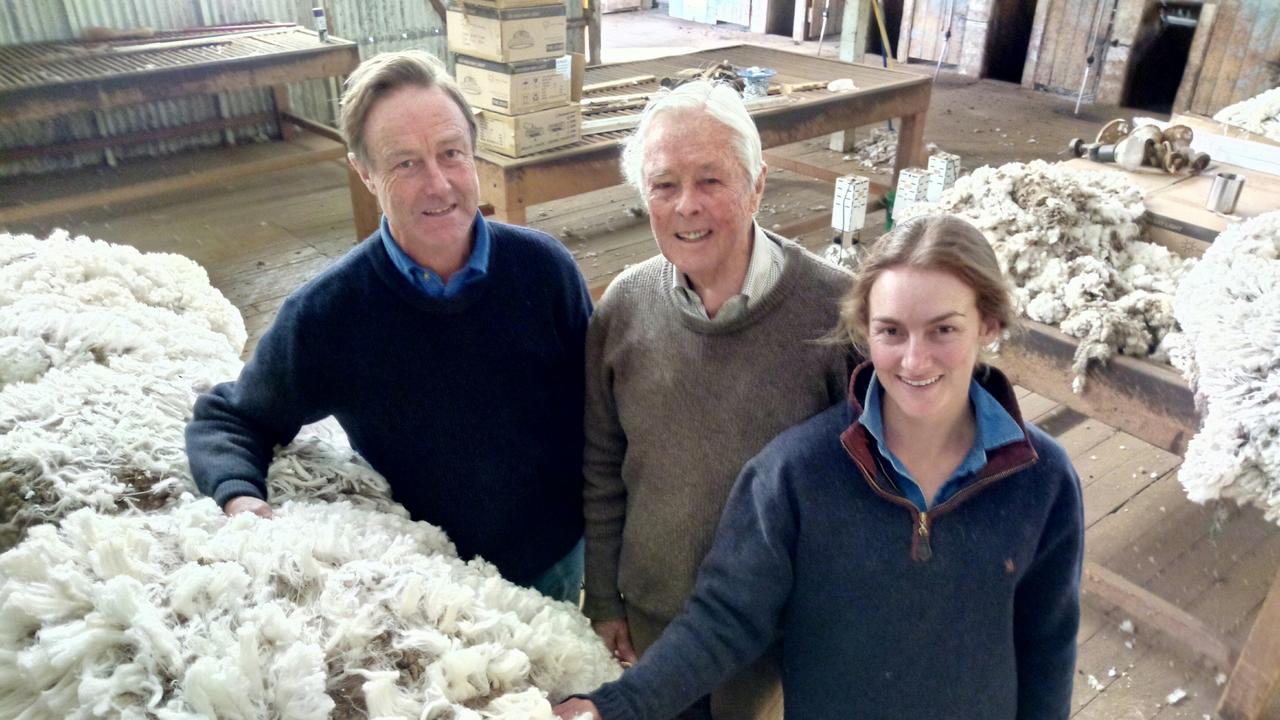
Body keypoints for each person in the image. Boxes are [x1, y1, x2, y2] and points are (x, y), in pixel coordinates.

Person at [557, 213, 1084, 719]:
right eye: (891, 332)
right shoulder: (796, 476)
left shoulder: (1042, 479)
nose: (915, 360)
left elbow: (1047, 648)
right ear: (864, 330)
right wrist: (615, 705)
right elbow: (724, 619)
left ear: (987, 324)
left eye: (943, 330)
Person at [184, 50, 591, 602]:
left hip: (557, 557)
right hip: (430, 584)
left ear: (474, 152)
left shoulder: (543, 271)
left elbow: (601, 410)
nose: (439, 184)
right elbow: (231, 416)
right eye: (405, 163)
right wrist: (241, 499)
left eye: (451, 154)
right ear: (365, 173)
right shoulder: (330, 312)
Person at [579, 80, 857, 720]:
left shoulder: (836, 313)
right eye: (664, 184)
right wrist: (604, 600)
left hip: (769, 632)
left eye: (711, 180)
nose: (686, 206)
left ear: (758, 185)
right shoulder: (623, 306)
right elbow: (600, 464)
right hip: (651, 616)